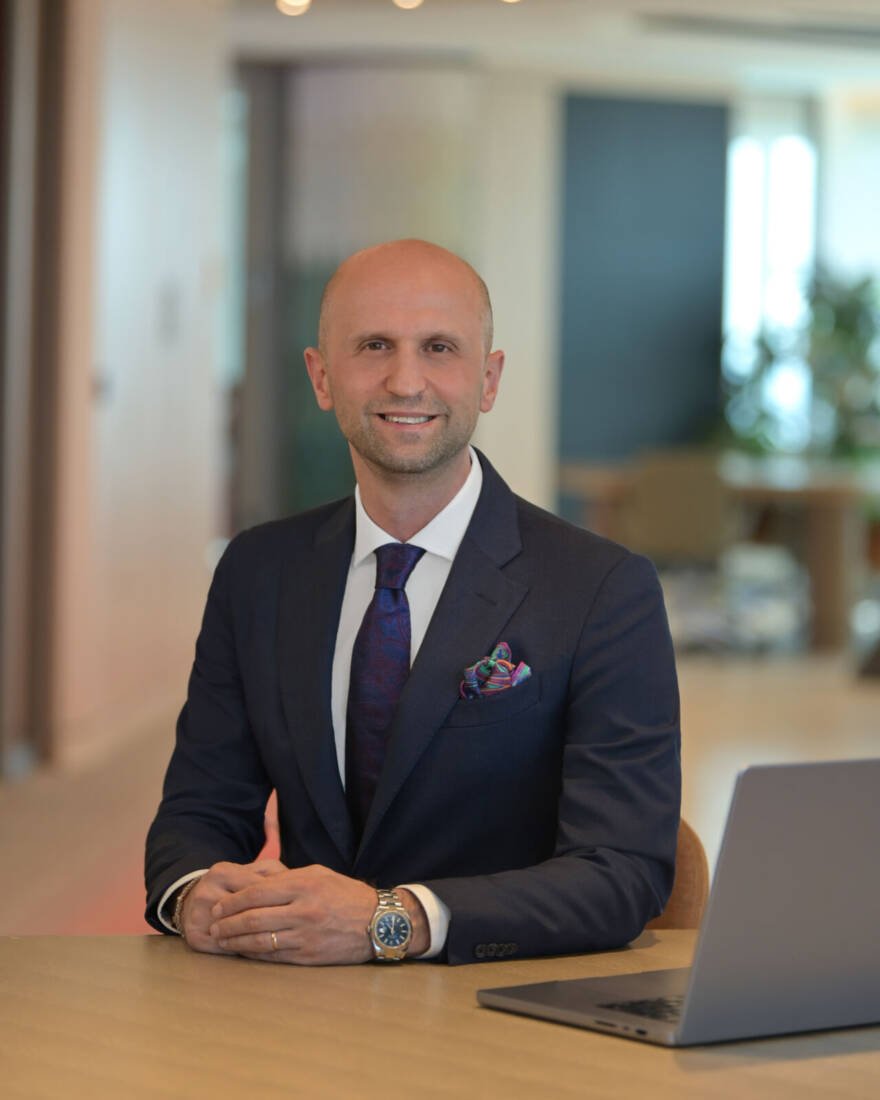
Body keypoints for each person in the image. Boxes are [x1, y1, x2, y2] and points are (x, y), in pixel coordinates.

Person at [145, 239, 680, 966]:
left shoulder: (602, 589)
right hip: (296, 1004)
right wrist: (195, 895)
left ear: (488, 379)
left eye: (438, 348)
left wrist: (391, 921)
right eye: (374, 346)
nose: (405, 381)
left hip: (496, 1004)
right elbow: (198, 812)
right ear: (322, 376)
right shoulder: (258, 571)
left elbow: (622, 873)